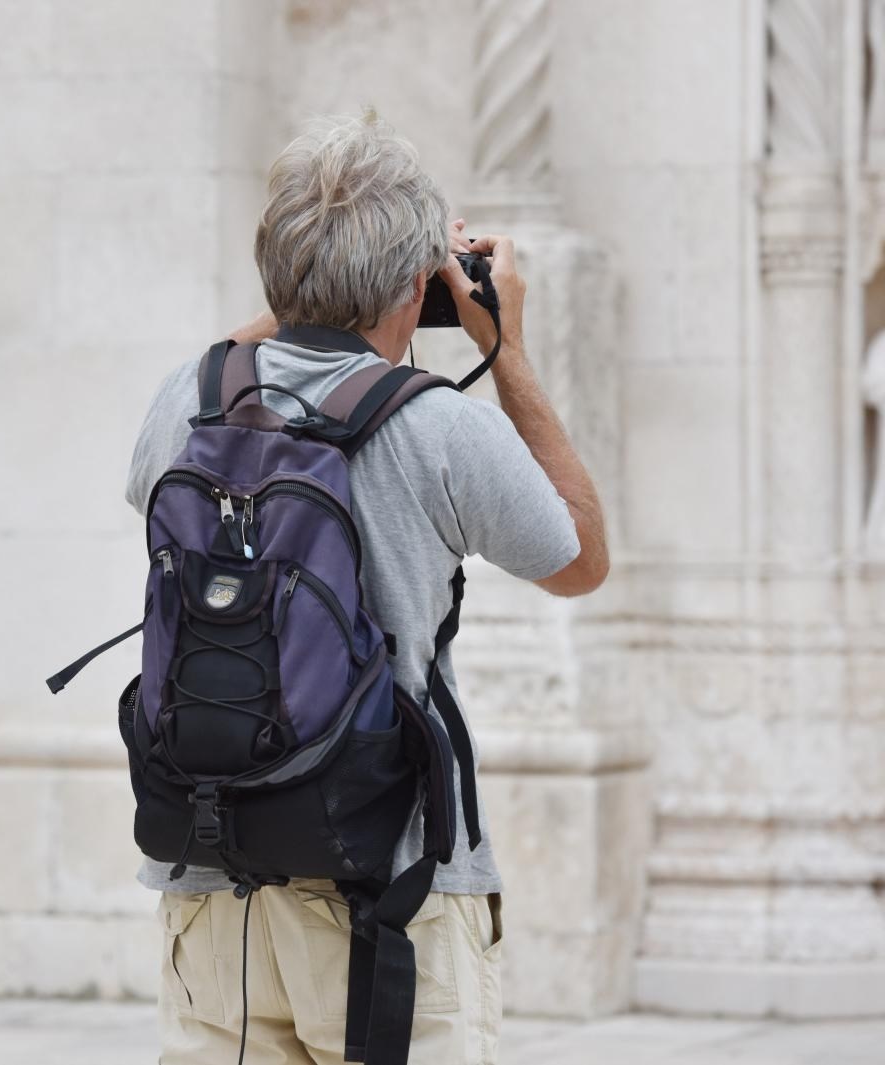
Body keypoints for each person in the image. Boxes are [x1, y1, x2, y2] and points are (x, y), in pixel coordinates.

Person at [125, 115, 608, 1064]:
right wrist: (502, 341)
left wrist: (306, 290)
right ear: (411, 285)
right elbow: (580, 557)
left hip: (212, 883)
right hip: (394, 890)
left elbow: (203, 389)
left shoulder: (190, 399)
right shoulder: (439, 429)